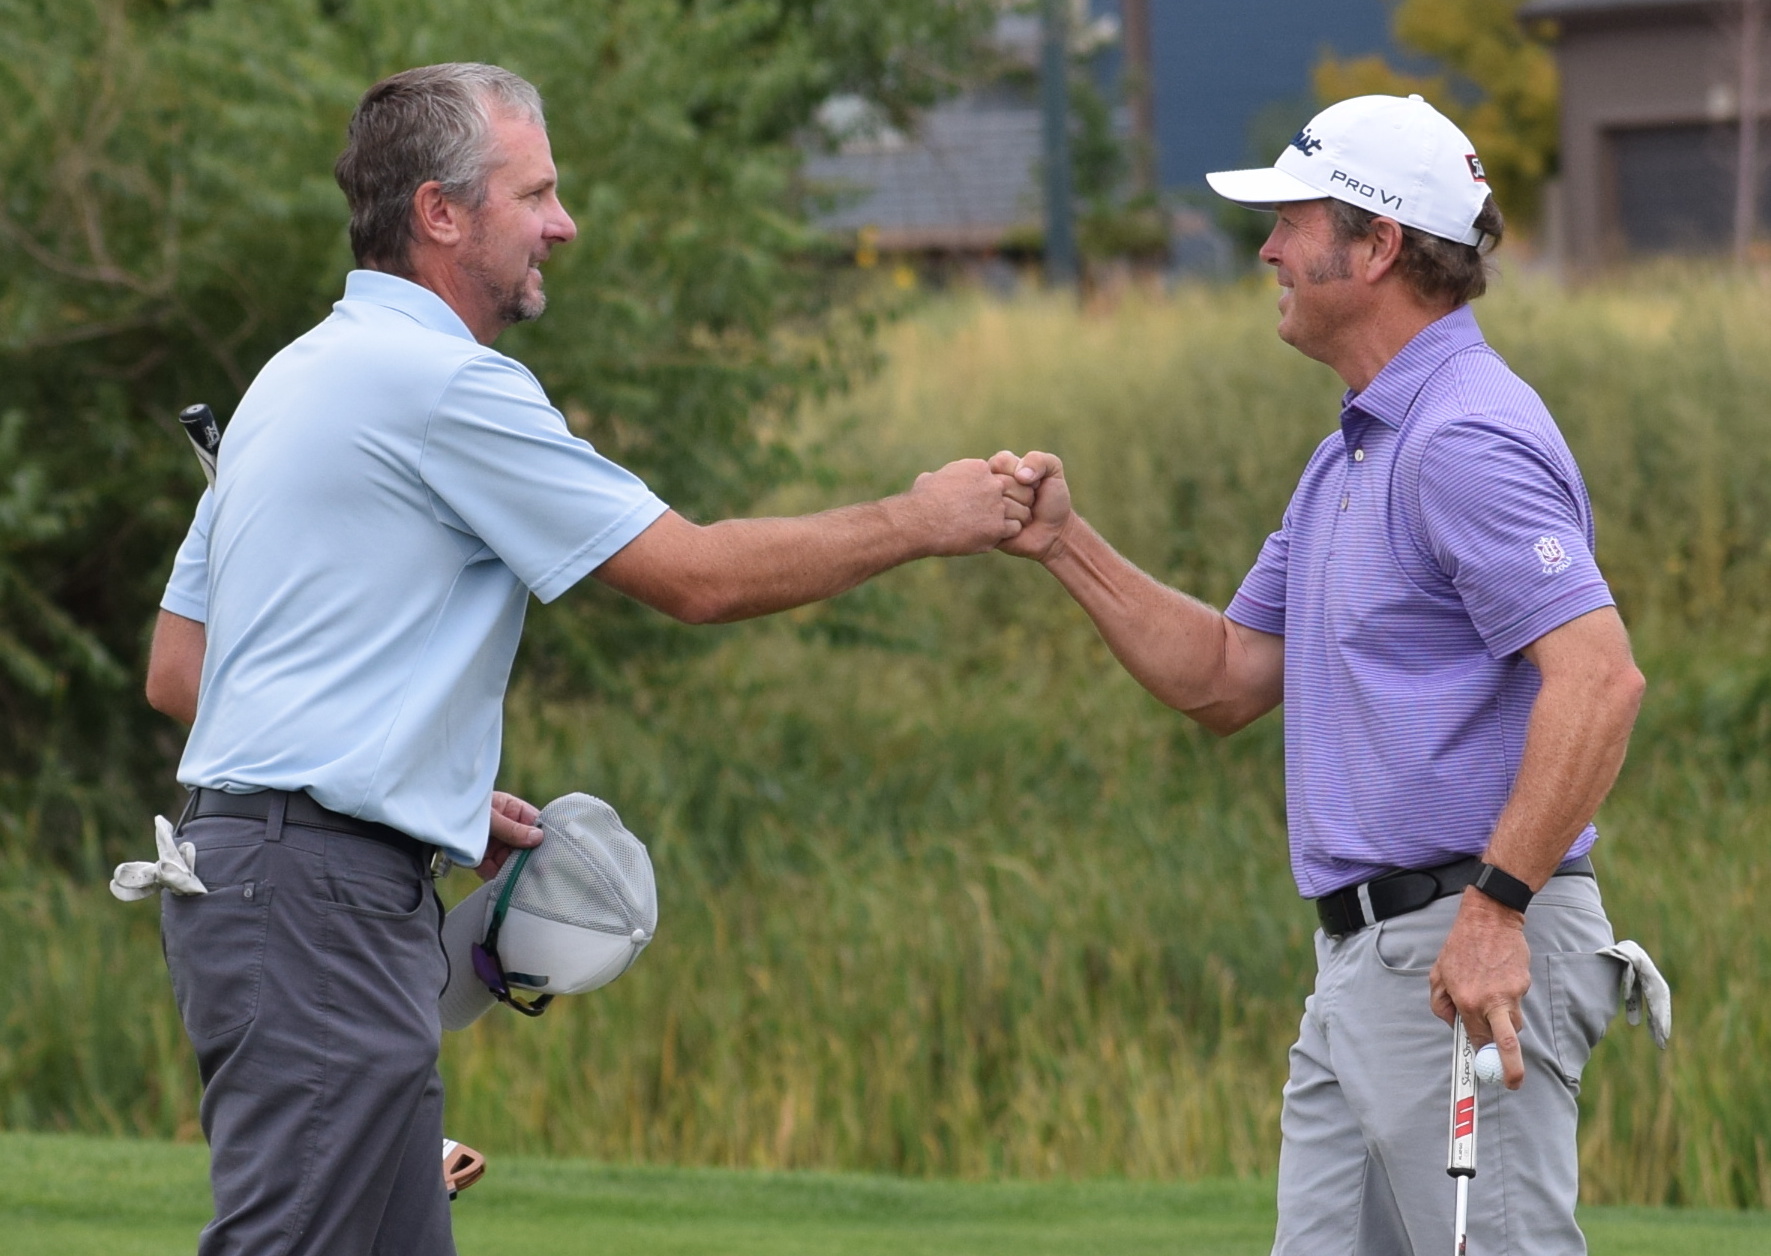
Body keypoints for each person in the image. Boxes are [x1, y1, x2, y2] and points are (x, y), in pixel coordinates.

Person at [144, 62, 1031, 1256]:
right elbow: (698, 576)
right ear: (439, 212)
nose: (562, 223)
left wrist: (400, 781)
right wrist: (921, 519)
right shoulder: (446, 385)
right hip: (319, 910)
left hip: (286, 887)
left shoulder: (292, 377)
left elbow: (181, 668)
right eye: (535, 194)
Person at [991, 95, 1645, 1254]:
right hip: (1364, 968)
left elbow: (1599, 679)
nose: (1267, 250)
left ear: (1378, 243)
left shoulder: (1460, 438)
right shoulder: (1353, 450)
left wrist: (1495, 911)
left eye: (1291, 221)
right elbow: (1225, 676)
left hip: (1462, 955)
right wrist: (1063, 544)